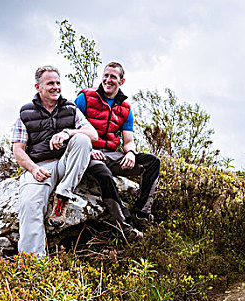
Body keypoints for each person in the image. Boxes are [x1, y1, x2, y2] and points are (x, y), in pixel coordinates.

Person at [12, 65, 98, 256]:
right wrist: (33, 169)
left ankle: (63, 195)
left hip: (67, 164)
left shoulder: (70, 109)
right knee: (29, 205)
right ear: (38, 87)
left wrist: (68, 132)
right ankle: (33, 266)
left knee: (82, 139)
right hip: (40, 167)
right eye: (50, 83)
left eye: (58, 83)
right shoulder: (25, 113)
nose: (56, 87)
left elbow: (92, 134)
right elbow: (18, 150)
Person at [75, 61, 160, 240]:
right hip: (87, 153)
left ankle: (141, 214)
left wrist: (130, 153)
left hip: (112, 154)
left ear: (121, 81)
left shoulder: (125, 109)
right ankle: (125, 226)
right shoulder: (85, 98)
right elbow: (71, 129)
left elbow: (128, 140)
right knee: (104, 173)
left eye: (113, 77)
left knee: (152, 162)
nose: (108, 80)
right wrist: (87, 150)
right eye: (105, 75)